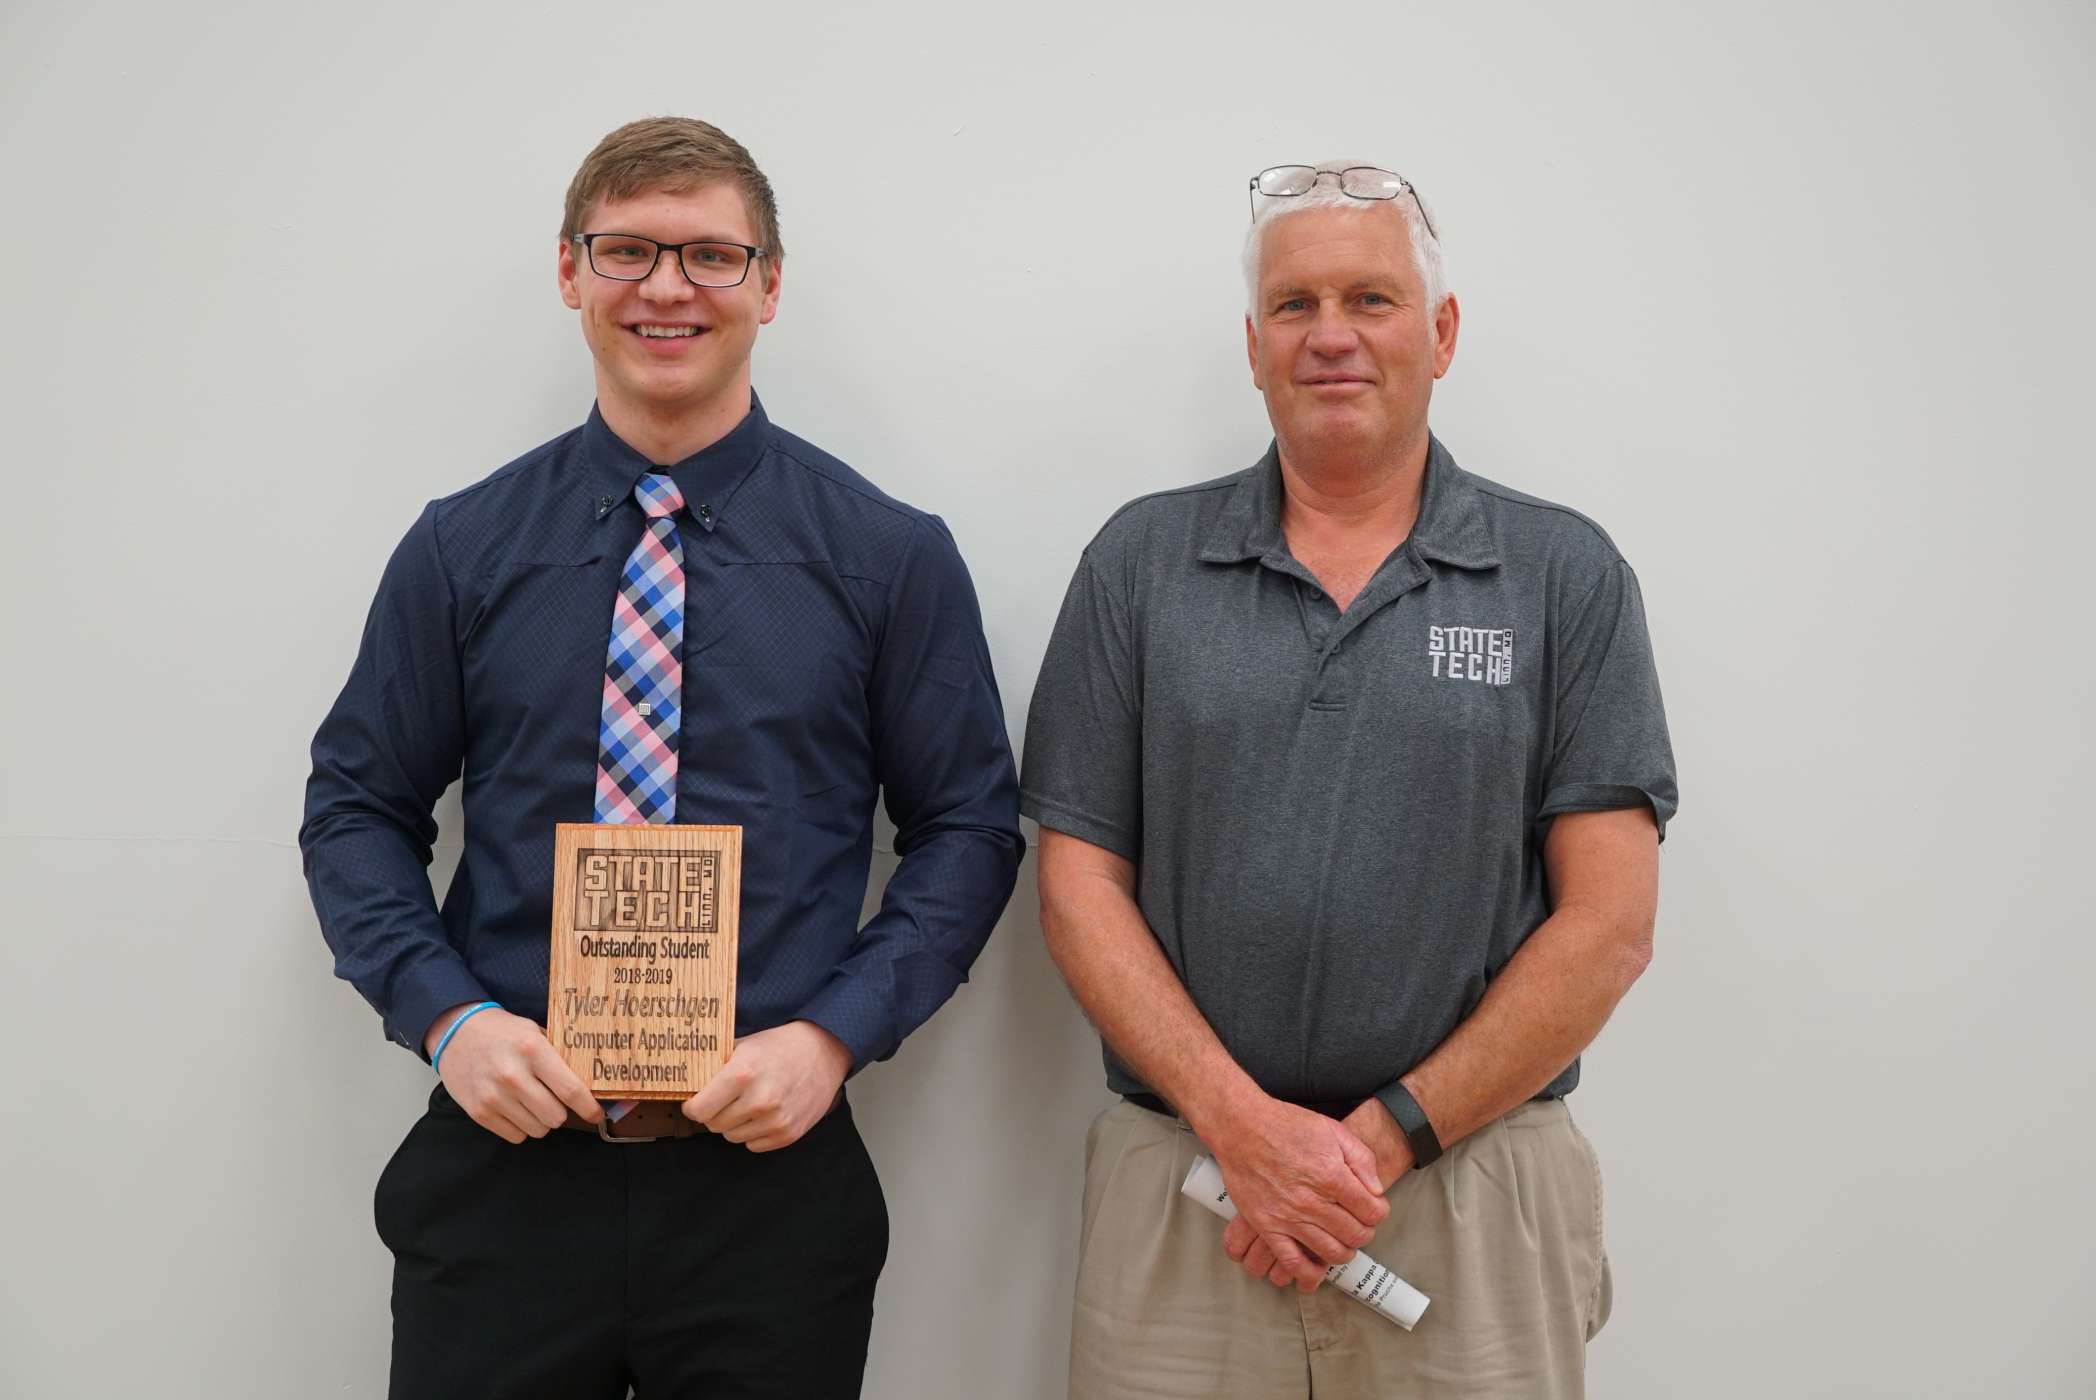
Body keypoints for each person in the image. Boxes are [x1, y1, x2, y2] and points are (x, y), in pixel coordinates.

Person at [300, 116, 1023, 1399]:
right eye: (627, 250)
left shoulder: (886, 557)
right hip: (503, 1180)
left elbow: (967, 827)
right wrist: (449, 1018)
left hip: (769, 1199)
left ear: (769, 284)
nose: (667, 288)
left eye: (709, 255)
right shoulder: (462, 549)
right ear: (569, 272)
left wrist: (833, 1036)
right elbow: (356, 806)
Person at [1022, 160, 1678, 1398]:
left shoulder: (1561, 574)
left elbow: (1607, 925)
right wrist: (1242, 1129)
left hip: (1470, 1186)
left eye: (1370, 299)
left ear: (1440, 333)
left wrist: (1375, 1142)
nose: (1329, 334)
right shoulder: (1139, 564)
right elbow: (1075, 890)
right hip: (1191, 1184)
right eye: (1294, 304)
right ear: (1252, 345)